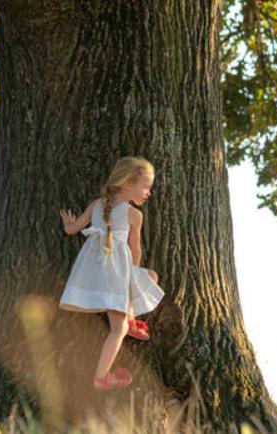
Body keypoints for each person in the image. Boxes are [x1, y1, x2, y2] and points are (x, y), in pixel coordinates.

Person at [58, 156, 164, 391]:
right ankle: (101, 376)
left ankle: (131, 317)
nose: (148, 193)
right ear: (127, 183)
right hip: (116, 272)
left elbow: (72, 230)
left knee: (152, 277)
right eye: (146, 187)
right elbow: (136, 249)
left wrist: (68, 223)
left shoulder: (97, 205)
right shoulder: (134, 215)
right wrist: (132, 276)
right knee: (119, 329)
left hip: (93, 271)